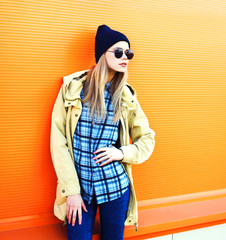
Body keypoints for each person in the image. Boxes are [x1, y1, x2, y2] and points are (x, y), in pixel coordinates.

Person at [50, 24, 156, 240]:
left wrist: (121, 153)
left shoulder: (125, 96)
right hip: (80, 190)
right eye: (118, 52)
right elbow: (58, 140)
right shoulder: (73, 88)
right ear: (102, 54)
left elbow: (147, 139)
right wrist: (72, 191)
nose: (125, 57)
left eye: (128, 53)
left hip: (115, 188)